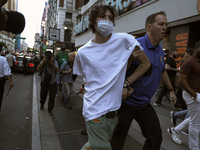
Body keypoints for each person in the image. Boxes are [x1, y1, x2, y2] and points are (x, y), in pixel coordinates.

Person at [73, 5, 151, 150]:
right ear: (93, 21)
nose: (107, 21)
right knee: (103, 147)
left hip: (114, 112)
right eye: (103, 17)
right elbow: (95, 78)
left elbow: (145, 64)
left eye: (110, 18)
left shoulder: (125, 40)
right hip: (94, 110)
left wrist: (126, 83)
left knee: (94, 146)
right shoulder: (83, 52)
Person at [111, 11, 177, 150]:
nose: (165, 27)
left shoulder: (159, 49)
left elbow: (162, 70)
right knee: (116, 140)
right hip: (126, 103)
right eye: (160, 24)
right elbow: (116, 70)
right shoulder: (135, 45)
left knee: (155, 139)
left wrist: (171, 90)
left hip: (144, 104)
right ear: (149, 27)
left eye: (166, 24)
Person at [179, 41, 200, 150]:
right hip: (192, 94)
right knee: (196, 124)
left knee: (195, 118)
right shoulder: (189, 61)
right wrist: (194, 95)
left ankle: (176, 130)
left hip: (197, 94)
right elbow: (181, 80)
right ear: (196, 48)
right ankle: (194, 147)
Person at [37, 51, 59, 116]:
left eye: (49, 56)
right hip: (44, 82)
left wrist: (51, 63)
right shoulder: (43, 61)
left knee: (52, 97)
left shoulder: (55, 62)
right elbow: (37, 68)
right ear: (45, 56)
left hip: (53, 82)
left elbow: (57, 70)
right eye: (47, 56)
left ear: (52, 56)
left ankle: (50, 110)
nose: (48, 57)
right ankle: (42, 104)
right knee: (43, 95)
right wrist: (43, 61)